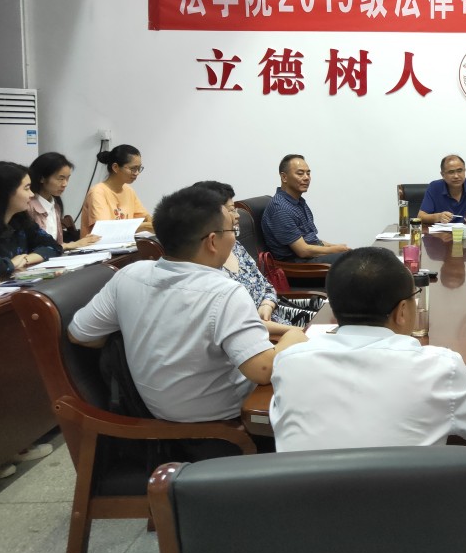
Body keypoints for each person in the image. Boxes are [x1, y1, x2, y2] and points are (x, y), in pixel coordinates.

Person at [69, 185, 306, 422]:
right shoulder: (224, 292)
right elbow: (263, 370)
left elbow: (79, 334)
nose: (235, 237)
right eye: (232, 230)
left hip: (158, 414)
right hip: (224, 420)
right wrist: (293, 336)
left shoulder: (129, 274)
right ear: (212, 241)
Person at [270, 246, 466, 451]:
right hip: (409, 494)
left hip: (307, 493)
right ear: (402, 311)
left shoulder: (289, 364)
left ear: (333, 308)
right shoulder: (440, 368)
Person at [193, 181, 318, 332]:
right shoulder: (206, 270)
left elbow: (266, 286)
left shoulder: (235, 246)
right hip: (265, 333)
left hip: (277, 314)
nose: (237, 215)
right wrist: (301, 333)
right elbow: (242, 325)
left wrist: (267, 304)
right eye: (231, 210)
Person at [261, 154, 349, 263]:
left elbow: (312, 239)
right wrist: (335, 250)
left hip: (309, 257)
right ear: (284, 177)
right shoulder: (280, 209)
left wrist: (335, 247)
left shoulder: (298, 202)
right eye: (300, 173)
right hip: (298, 264)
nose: (306, 177)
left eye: (308, 173)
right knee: (351, 260)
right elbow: (303, 251)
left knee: (355, 256)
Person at [0, 161, 62, 278]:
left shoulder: (20, 221)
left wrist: (25, 260)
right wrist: (11, 264)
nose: (32, 194)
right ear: (6, 192)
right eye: (26, 188)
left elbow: (54, 246)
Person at [27, 152, 99, 251]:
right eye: (60, 179)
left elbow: (57, 244)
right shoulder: (28, 206)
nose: (65, 184)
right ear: (42, 178)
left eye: (67, 178)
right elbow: (35, 247)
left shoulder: (55, 205)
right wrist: (72, 245)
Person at [80, 144, 154, 236]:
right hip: (100, 244)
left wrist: (152, 222)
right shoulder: (98, 192)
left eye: (139, 168)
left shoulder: (129, 191)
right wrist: (144, 227)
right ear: (115, 167)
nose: (137, 173)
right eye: (133, 169)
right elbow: (105, 230)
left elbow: (145, 218)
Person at [418, 154, 466, 225]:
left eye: (459, 171)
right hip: (442, 233)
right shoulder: (434, 187)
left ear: (464, 171)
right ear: (442, 174)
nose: (456, 176)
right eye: (451, 172)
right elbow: (420, 217)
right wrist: (438, 217)